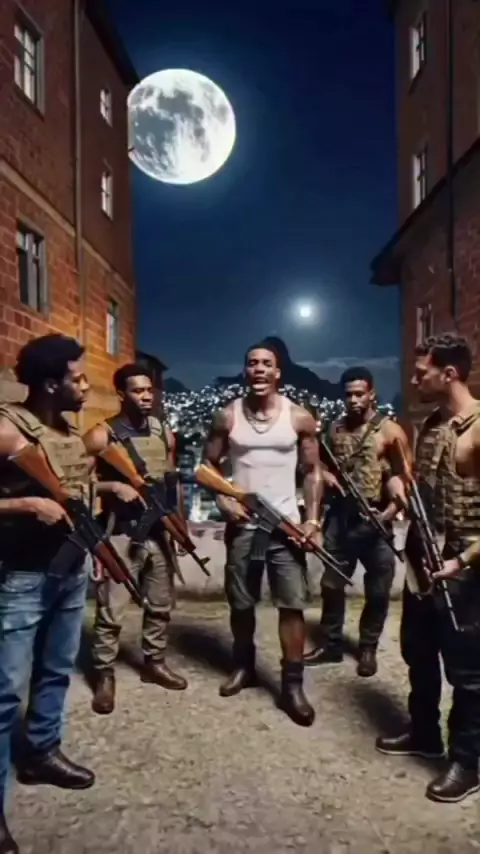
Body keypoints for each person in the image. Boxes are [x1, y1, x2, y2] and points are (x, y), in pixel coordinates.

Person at [376, 332, 480, 803]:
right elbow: (426, 485)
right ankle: (424, 732)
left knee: (468, 673)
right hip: (423, 557)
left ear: (449, 373)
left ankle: (467, 762)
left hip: (464, 569)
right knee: (418, 652)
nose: (415, 380)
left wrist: (462, 560)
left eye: (423, 373)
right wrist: (400, 487)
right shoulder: (433, 424)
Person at [0, 334, 94, 854]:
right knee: (5, 694)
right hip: (22, 576)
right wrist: (24, 506)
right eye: (78, 378)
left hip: (70, 570)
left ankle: (41, 753)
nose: (87, 386)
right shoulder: (7, 428)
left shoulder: (67, 429)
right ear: (51, 383)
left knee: (57, 670)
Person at [202, 341, 323, 727]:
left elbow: (313, 472)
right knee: (241, 603)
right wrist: (223, 500)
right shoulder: (228, 416)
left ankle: (292, 686)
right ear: (245, 370)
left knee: (292, 605)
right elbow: (208, 465)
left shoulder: (299, 417)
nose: (258, 369)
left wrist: (312, 521)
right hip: (243, 526)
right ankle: (244, 667)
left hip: (286, 526)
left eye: (266, 363)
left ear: (277, 372)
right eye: (252, 362)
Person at [84, 363, 187, 716]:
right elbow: (73, 483)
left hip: (159, 531)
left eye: (149, 390)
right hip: (120, 532)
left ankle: (154, 662)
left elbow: (172, 481)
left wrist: (180, 525)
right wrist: (112, 486)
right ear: (121, 394)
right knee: (111, 610)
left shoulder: (162, 432)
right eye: (137, 390)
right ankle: (104, 673)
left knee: (160, 603)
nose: (145, 396)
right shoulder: (102, 436)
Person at [303, 367, 408, 677]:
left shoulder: (390, 432)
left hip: (377, 519)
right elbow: (317, 466)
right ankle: (330, 644)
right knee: (332, 585)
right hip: (341, 517)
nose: (353, 400)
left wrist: (388, 513)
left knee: (378, 590)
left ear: (371, 394)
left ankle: (368, 648)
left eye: (359, 394)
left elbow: (405, 477)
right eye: (348, 394)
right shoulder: (334, 430)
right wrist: (327, 475)